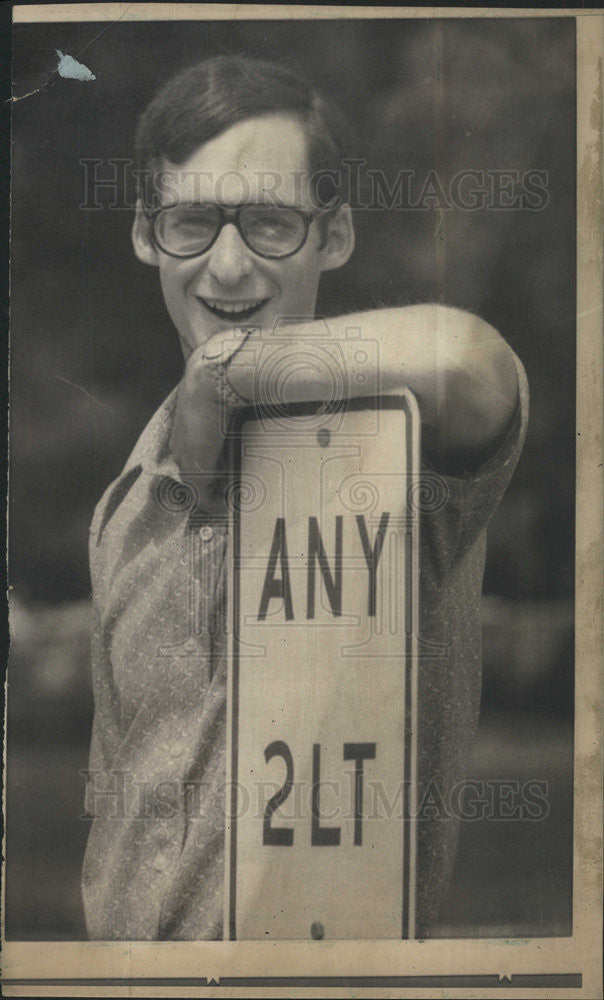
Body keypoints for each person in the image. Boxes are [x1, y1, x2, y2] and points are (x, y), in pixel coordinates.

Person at [81, 54, 529, 940]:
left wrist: (228, 371)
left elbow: (471, 366)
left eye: (273, 223)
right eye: (194, 222)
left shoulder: (397, 458)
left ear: (336, 234)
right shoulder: (124, 507)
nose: (230, 264)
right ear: (144, 233)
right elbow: (115, 818)